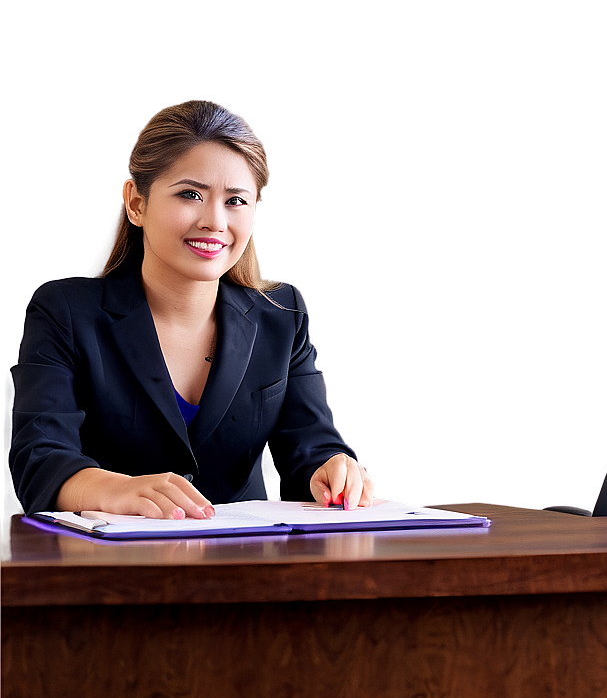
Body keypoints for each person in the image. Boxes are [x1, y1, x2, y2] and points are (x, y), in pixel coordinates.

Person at [10, 99, 375, 519]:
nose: (214, 221)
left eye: (236, 201)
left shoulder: (282, 317)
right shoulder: (66, 313)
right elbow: (40, 460)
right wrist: (118, 490)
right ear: (136, 204)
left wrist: (332, 470)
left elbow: (311, 451)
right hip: (111, 568)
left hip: (246, 566)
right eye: (190, 194)